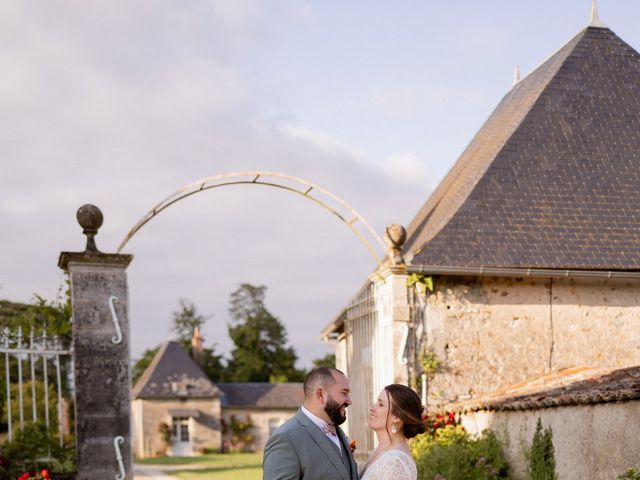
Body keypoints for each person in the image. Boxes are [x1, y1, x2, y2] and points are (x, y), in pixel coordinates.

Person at [263, 367, 358, 480]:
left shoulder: (339, 432)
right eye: (344, 393)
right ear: (321, 395)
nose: (349, 401)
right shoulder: (285, 439)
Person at [359, 384, 427, 480]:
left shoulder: (395, 463)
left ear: (397, 417)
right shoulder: (380, 450)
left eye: (380, 404)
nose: (372, 408)